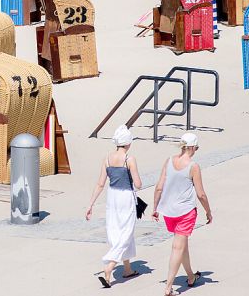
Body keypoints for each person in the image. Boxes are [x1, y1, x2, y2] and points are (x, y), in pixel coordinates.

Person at [152, 132, 213, 296]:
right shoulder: (193, 166)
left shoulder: (169, 161)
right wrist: (208, 211)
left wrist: (155, 208)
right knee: (177, 247)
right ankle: (168, 287)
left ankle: (191, 276)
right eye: (197, 148)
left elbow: (159, 186)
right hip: (185, 211)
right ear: (192, 147)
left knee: (182, 244)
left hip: (168, 212)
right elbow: (201, 194)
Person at [85, 126, 141, 288]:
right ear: (128, 143)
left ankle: (128, 269)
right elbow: (138, 183)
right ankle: (109, 268)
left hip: (112, 197)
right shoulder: (129, 159)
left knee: (118, 230)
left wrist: (90, 204)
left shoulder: (107, 159)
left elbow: (100, 184)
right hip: (126, 198)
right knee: (127, 230)